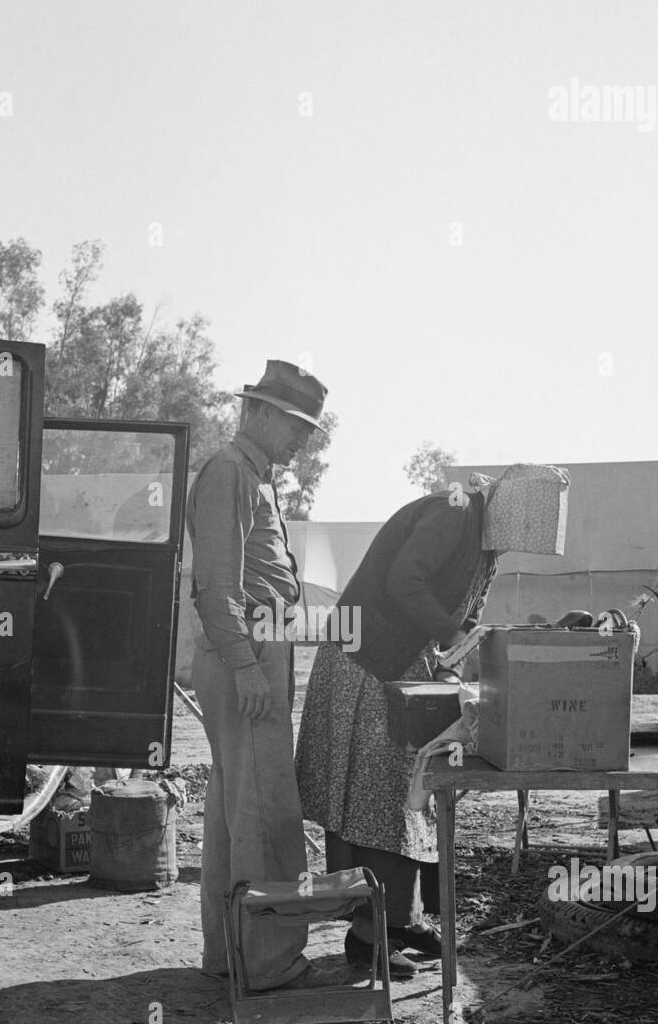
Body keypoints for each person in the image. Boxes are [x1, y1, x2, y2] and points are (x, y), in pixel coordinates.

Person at [296, 468, 531, 976]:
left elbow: (462, 614)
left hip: (404, 670)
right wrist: (451, 635)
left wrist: (462, 647)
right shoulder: (455, 511)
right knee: (375, 799)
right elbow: (406, 581)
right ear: (509, 508)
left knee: (410, 795)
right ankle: (367, 937)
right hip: (365, 664)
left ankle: (403, 920)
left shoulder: (486, 546)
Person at [187, 359, 341, 991]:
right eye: (296, 424)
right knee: (269, 812)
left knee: (235, 810)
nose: (304, 438)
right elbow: (215, 586)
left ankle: (232, 954)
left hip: (255, 650)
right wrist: (247, 666)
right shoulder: (229, 472)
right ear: (258, 412)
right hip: (244, 654)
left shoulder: (256, 476)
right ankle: (274, 963)